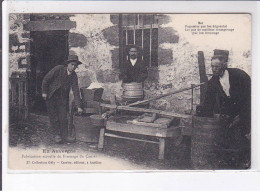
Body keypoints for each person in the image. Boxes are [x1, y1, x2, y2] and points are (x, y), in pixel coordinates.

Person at [199, 54, 251, 167]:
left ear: (224, 65)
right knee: (229, 135)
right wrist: (202, 116)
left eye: (217, 67)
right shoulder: (213, 82)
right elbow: (208, 102)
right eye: (212, 66)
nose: (214, 69)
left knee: (244, 134)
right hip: (230, 112)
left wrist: (241, 116)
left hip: (246, 109)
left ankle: (247, 160)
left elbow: (249, 98)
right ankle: (232, 162)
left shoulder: (239, 76)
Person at [42, 55, 83, 144]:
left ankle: (65, 136)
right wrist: (44, 92)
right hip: (51, 96)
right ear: (68, 64)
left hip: (62, 98)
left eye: (76, 66)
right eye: (72, 64)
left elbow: (76, 90)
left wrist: (79, 106)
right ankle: (57, 135)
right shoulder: (58, 69)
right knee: (54, 117)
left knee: (64, 117)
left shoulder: (74, 76)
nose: (74, 67)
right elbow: (46, 79)